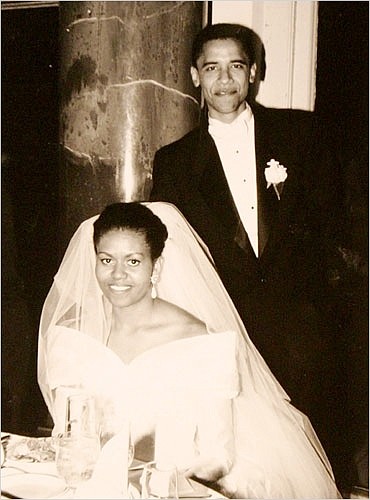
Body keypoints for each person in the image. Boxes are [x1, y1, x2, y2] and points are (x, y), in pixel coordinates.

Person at [150, 23, 350, 486]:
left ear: (254, 72)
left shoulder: (302, 133)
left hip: (304, 320)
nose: (224, 80)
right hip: (228, 325)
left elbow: (333, 223)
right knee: (248, 458)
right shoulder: (174, 161)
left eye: (235, 66)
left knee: (315, 452)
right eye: (212, 68)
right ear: (195, 75)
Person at [38, 201, 341, 498]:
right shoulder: (74, 338)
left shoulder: (197, 340)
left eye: (133, 261)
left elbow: (218, 457)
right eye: (106, 260)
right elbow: (67, 436)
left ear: (156, 266)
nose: (117, 275)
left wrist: (149, 487)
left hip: (177, 490)